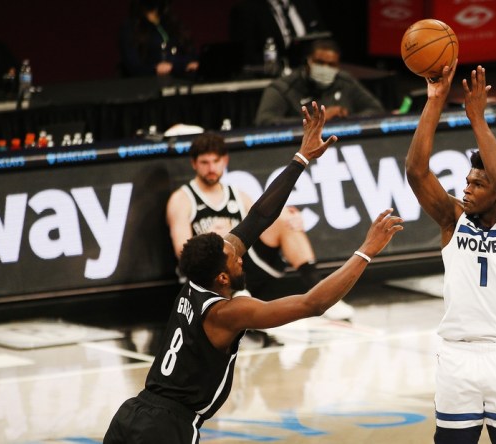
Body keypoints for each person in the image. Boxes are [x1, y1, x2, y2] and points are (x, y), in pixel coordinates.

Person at [104, 102, 404, 443]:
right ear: (222, 277)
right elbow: (312, 305)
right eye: (234, 257)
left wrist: (301, 158)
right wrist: (366, 250)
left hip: (131, 413)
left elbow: (258, 217)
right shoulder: (228, 312)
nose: (240, 255)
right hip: (165, 429)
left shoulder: (196, 281)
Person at [406, 62, 496, 443]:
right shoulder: (453, 219)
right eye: (466, 181)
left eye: (477, 184)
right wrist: (435, 99)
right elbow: (416, 172)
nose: (466, 189)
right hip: (456, 358)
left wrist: (477, 119)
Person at [165, 132, 356, 321]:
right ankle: (236, 296)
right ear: (194, 164)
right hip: (210, 278)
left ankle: (319, 289)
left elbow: (261, 219)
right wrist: (212, 240)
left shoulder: (237, 194)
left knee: (285, 219)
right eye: (204, 163)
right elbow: (183, 253)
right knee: (222, 255)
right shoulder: (182, 199)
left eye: (215, 161)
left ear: (225, 161)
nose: (211, 168)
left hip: (242, 267)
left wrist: (293, 218)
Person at [254, 39, 385, 127]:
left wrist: (347, 117)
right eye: (319, 62)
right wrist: (316, 120)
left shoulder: (345, 82)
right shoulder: (283, 88)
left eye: (331, 65)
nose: (325, 68)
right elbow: (264, 122)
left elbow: (376, 111)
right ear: (308, 62)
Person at [230, 0, 328, 68]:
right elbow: (247, 57)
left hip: (312, 74)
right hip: (273, 82)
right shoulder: (246, 10)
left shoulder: (306, 4)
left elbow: (323, 39)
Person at [119, 0, 199, 78]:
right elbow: (133, 65)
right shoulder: (131, 28)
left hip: (181, 80)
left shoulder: (172, 24)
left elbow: (189, 52)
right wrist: (155, 69)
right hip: (150, 84)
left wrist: (189, 64)